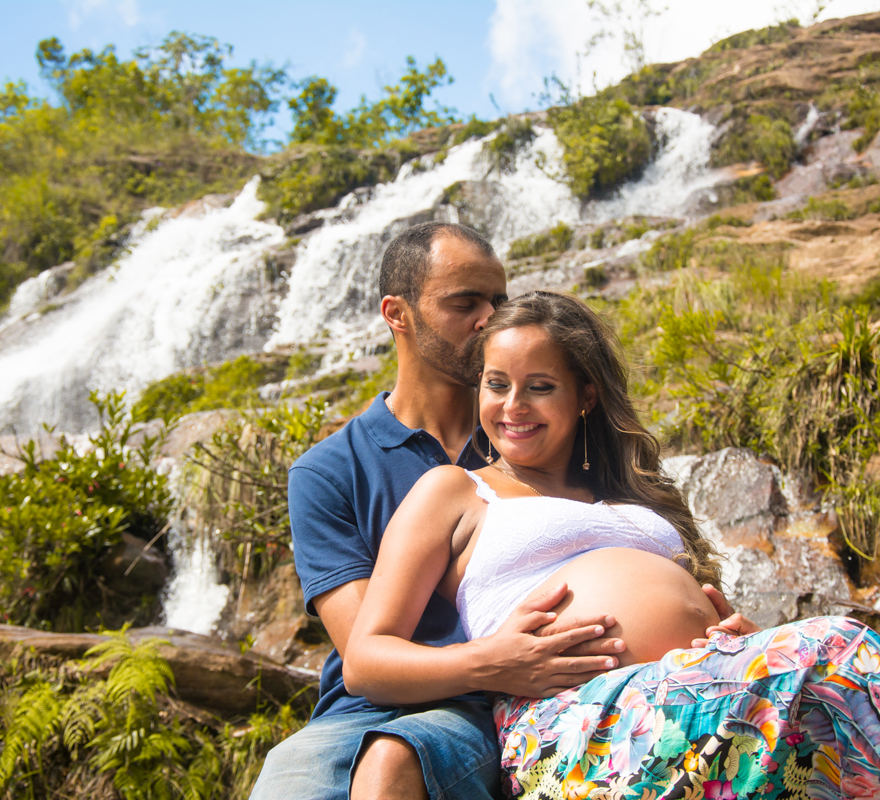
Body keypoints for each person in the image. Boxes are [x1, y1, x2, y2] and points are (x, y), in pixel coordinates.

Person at [344, 290, 880, 799]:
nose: (512, 406)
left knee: (861, 694)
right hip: (575, 727)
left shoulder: (636, 496)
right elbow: (368, 661)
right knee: (838, 648)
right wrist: (491, 660)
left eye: (540, 387)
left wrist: (736, 629)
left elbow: (690, 606)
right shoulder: (454, 491)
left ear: (585, 396)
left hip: (701, 694)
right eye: (497, 385)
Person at [252, 223, 676, 800]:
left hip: (512, 698)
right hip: (381, 707)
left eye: (498, 300)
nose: (489, 318)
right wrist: (498, 660)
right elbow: (366, 653)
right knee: (295, 783)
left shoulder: (532, 439)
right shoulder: (329, 471)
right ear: (397, 314)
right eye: (465, 302)